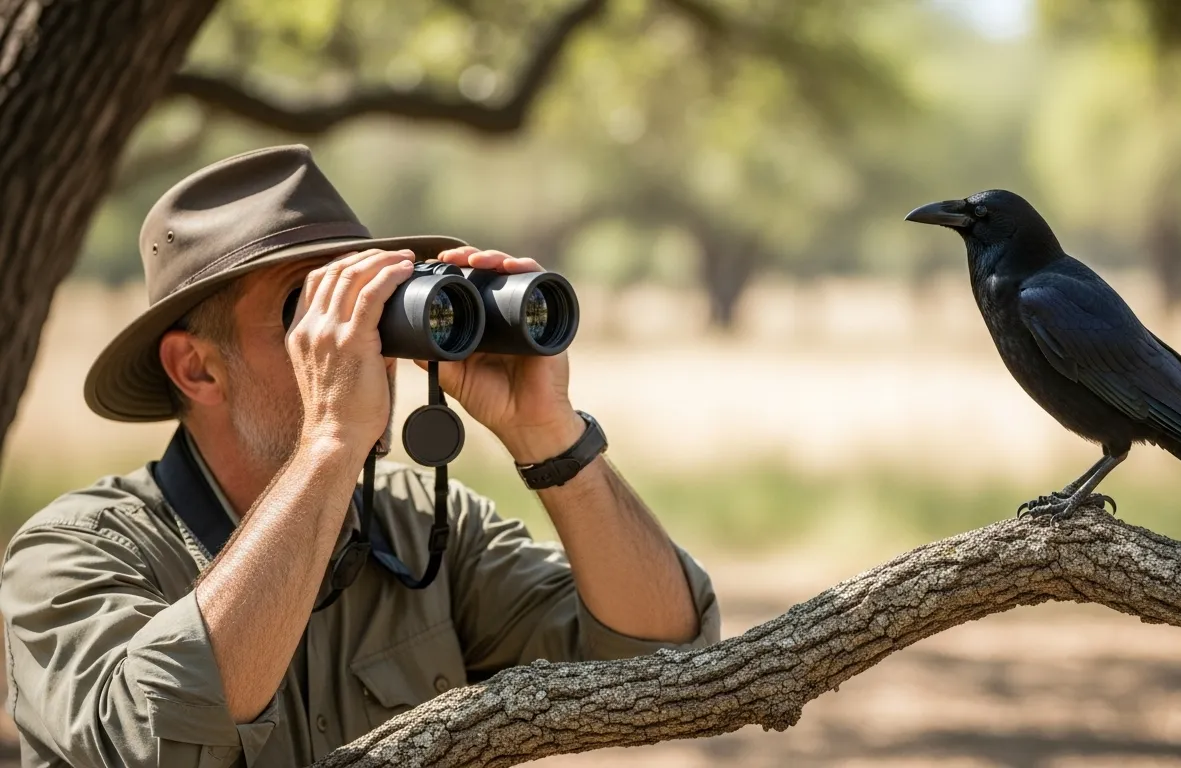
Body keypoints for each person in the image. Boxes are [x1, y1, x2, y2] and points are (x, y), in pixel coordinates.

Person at [0, 145, 721, 767]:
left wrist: (550, 437)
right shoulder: (73, 553)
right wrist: (329, 443)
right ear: (197, 369)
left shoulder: (422, 529)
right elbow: (147, 745)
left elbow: (663, 661)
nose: (356, 341)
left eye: (371, 305)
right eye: (308, 310)